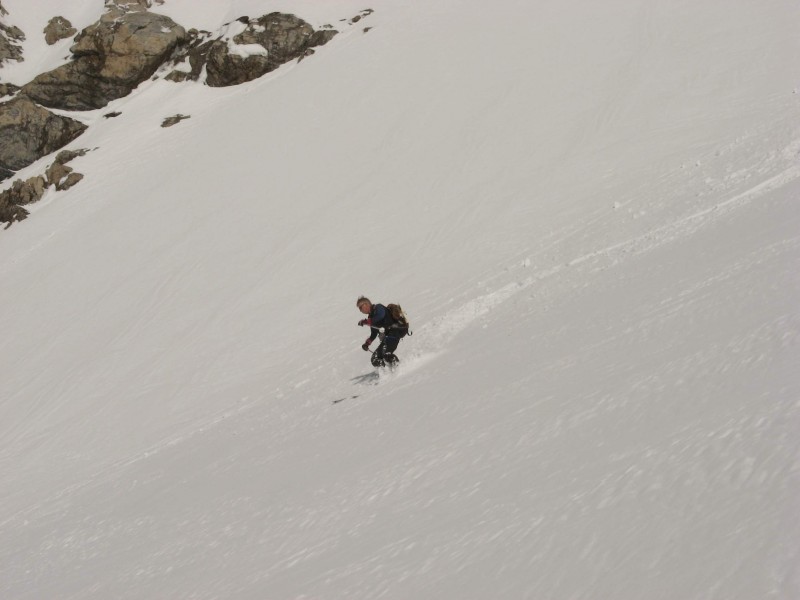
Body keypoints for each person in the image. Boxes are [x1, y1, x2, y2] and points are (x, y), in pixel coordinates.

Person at [357, 296, 409, 368]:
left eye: (360, 308)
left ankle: (401, 369)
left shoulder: (378, 307)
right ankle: (388, 373)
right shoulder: (371, 317)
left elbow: (380, 316)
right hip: (387, 337)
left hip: (394, 332)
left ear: (366, 305)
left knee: (386, 354)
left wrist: (366, 321)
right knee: (374, 359)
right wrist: (367, 344)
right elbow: (373, 334)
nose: (360, 310)